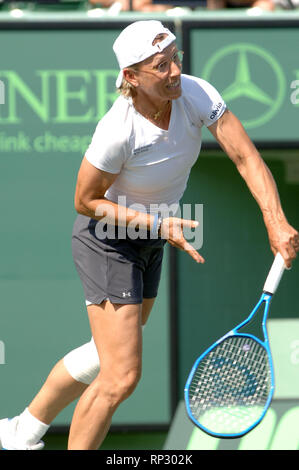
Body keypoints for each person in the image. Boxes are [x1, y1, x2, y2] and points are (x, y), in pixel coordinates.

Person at [0, 20, 298, 451]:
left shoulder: (196, 93)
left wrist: (275, 221)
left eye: (175, 58)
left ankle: (21, 432)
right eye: (161, 66)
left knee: (105, 354)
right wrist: (159, 225)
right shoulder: (116, 130)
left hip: (151, 236)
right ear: (131, 78)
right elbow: (85, 201)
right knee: (121, 376)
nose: (175, 71)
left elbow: (245, 156)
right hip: (107, 237)